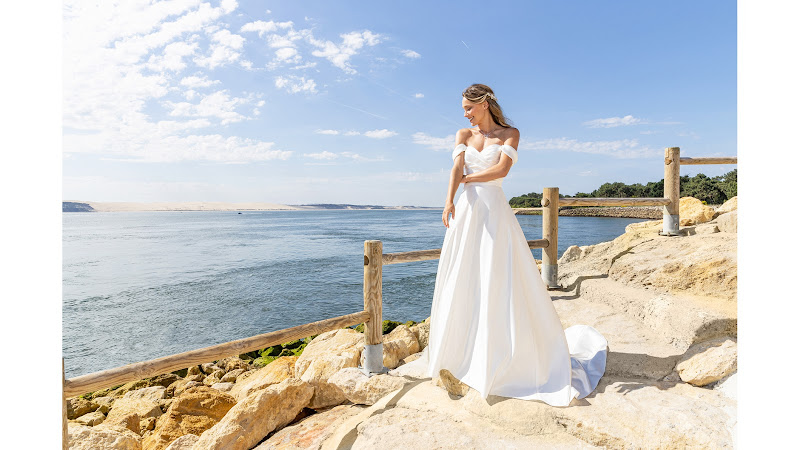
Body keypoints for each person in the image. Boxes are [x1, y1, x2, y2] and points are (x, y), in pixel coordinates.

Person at [391, 84, 607, 407]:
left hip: (494, 212)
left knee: (495, 278)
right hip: (466, 213)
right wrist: (449, 199)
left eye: (468, 107)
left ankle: (498, 359)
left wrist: (470, 181)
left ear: (484, 103)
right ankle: (459, 354)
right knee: (463, 278)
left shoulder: (510, 134)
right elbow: (455, 168)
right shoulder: (463, 134)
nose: (465, 113)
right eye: (464, 108)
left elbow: (502, 170)